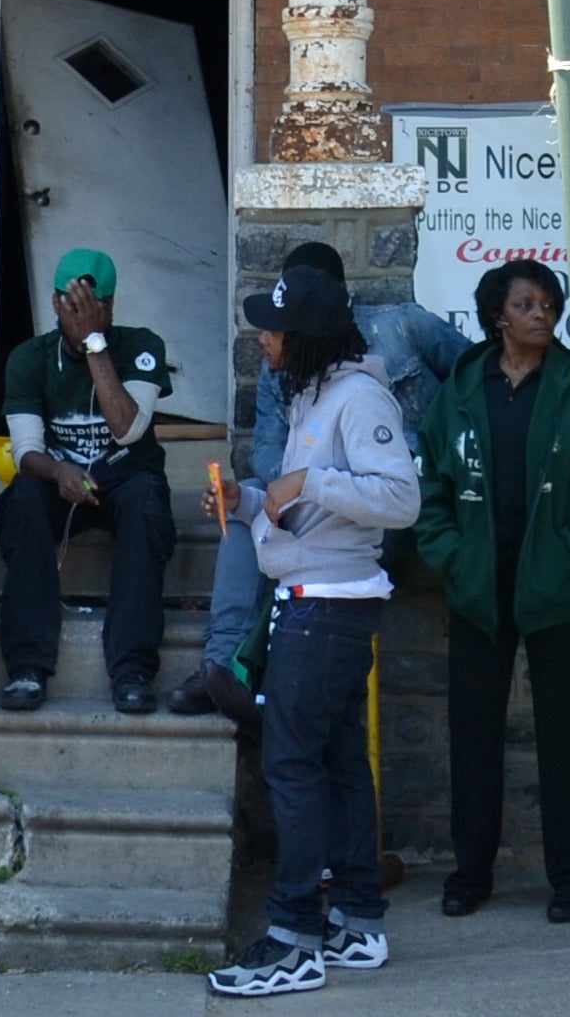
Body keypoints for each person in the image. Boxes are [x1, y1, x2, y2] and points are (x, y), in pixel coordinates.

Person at [206, 261, 425, 997]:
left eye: (272, 330)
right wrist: (246, 503)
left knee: (291, 766)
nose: (263, 341)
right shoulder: (311, 395)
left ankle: (294, 937)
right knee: (333, 764)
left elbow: (400, 497)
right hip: (314, 595)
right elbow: (297, 507)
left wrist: (307, 482)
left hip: (329, 603)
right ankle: (358, 921)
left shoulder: (359, 397)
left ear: (306, 338)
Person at [169, 240, 466, 720]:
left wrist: (448, 457)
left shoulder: (400, 327)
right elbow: (268, 446)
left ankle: (256, 682)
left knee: (303, 559)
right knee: (244, 520)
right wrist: (276, 494)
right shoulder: (287, 365)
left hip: (394, 508)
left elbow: (475, 378)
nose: (265, 338)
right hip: (316, 504)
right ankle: (223, 668)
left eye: (281, 320)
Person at [419, 257, 570, 923]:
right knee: (472, 733)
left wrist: (569, 554)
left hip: (554, 587)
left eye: (550, 305)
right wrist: (452, 557)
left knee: (566, 737)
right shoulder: (464, 385)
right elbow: (430, 484)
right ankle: (470, 872)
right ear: (498, 314)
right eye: (526, 305)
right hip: (478, 586)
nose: (542, 315)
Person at [0, 246, 181, 714]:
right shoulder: (29, 358)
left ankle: (133, 668)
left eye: (92, 304)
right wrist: (58, 471)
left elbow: (128, 429)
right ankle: (28, 667)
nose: (78, 312)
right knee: (23, 500)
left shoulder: (141, 345)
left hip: (127, 476)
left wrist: (95, 344)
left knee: (144, 503)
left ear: (110, 307)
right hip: (60, 477)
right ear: (54, 303)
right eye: (69, 302)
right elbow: (27, 448)